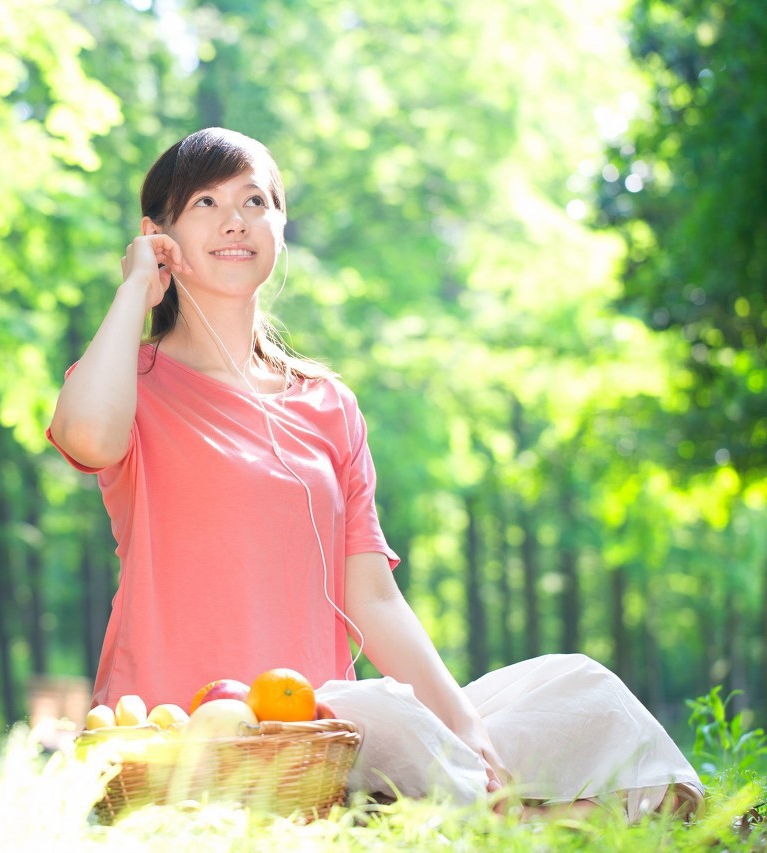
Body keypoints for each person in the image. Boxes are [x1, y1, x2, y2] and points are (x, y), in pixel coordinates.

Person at [46, 127, 702, 820]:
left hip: (322, 735)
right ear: (159, 233)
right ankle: (522, 817)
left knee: (575, 685)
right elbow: (87, 438)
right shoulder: (131, 381)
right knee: (392, 717)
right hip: (177, 737)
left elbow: (374, 598)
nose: (235, 219)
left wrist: (467, 728)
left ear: (280, 226)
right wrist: (133, 294)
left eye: (256, 200)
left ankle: (491, 800)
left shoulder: (327, 403)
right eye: (205, 202)